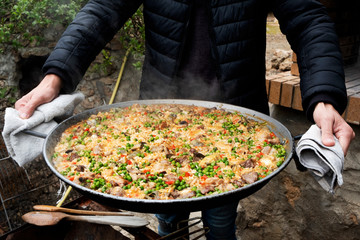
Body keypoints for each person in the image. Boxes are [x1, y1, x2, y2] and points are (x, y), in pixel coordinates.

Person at [15, 0, 355, 239]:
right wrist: (54, 77)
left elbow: (308, 18)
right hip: (153, 118)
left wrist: (323, 98)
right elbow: (103, 9)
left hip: (235, 124)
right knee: (168, 220)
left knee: (220, 224)